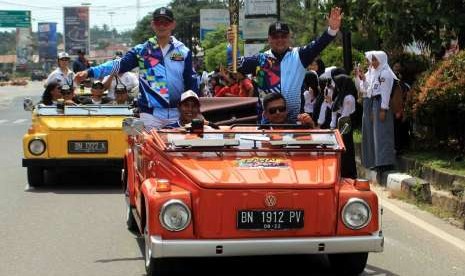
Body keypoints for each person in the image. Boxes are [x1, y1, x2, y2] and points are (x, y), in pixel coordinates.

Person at [74, 7, 194, 129]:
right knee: (149, 147)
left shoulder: (184, 51)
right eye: (158, 22)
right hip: (150, 114)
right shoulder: (141, 51)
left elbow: (191, 82)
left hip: (178, 113)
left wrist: (195, 110)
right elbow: (118, 64)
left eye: (166, 22)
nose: (162, 26)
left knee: (178, 147)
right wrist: (90, 72)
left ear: (173, 24)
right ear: (153, 24)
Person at [230, 7, 342, 123]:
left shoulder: (300, 55)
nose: (279, 40)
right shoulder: (260, 59)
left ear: (289, 37)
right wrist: (231, 45)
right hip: (266, 123)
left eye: (283, 36)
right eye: (275, 36)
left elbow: (319, 44)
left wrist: (332, 29)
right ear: (269, 39)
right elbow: (234, 65)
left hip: (295, 121)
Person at [360, 51, 397, 171]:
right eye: (373, 60)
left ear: (381, 60)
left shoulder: (385, 74)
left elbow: (385, 93)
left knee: (384, 133)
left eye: (375, 60)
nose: (373, 63)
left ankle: (386, 162)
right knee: (377, 135)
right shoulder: (377, 73)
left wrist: (383, 109)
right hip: (375, 103)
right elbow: (370, 90)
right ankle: (380, 162)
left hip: (381, 104)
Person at [331, 74, 358, 178]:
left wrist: (339, 130)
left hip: (345, 125)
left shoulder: (349, 98)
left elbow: (345, 115)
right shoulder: (340, 95)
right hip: (339, 125)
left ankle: (349, 172)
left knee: (347, 149)